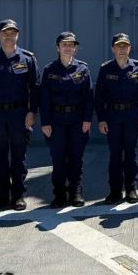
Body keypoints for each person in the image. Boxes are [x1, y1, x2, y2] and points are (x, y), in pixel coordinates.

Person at [0, 19, 40, 211]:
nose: (9, 36)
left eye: (12, 32)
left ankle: (18, 195)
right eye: (5, 32)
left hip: (19, 114)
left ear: (17, 35)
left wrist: (32, 111)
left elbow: (35, 88)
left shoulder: (27, 59)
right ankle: (1, 196)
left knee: (19, 157)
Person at [95, 33, 138, 204]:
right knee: (115, 154)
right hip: (112, 117)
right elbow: (99, 97)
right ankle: (115, 191)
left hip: (132, 116)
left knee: (131, 153)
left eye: (125, 46)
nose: (122, 49)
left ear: (129, 48)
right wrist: (102, 119)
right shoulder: (106, 69)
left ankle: (131, 189)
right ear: (113, 48)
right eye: (119, 46)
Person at [39, 31, 93, 207]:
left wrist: (87, 120)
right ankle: (60, 194)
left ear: (75, 48)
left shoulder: (83, 69)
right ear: (58, 47)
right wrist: (45, 122)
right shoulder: (49, 70)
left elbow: (88, 97)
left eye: (71, 45)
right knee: (58, 158)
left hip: (77, 120)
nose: (68, 48)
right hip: (56, 121)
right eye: (65, 44)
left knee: (76, 157)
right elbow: (44, 98)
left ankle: (76, 192)